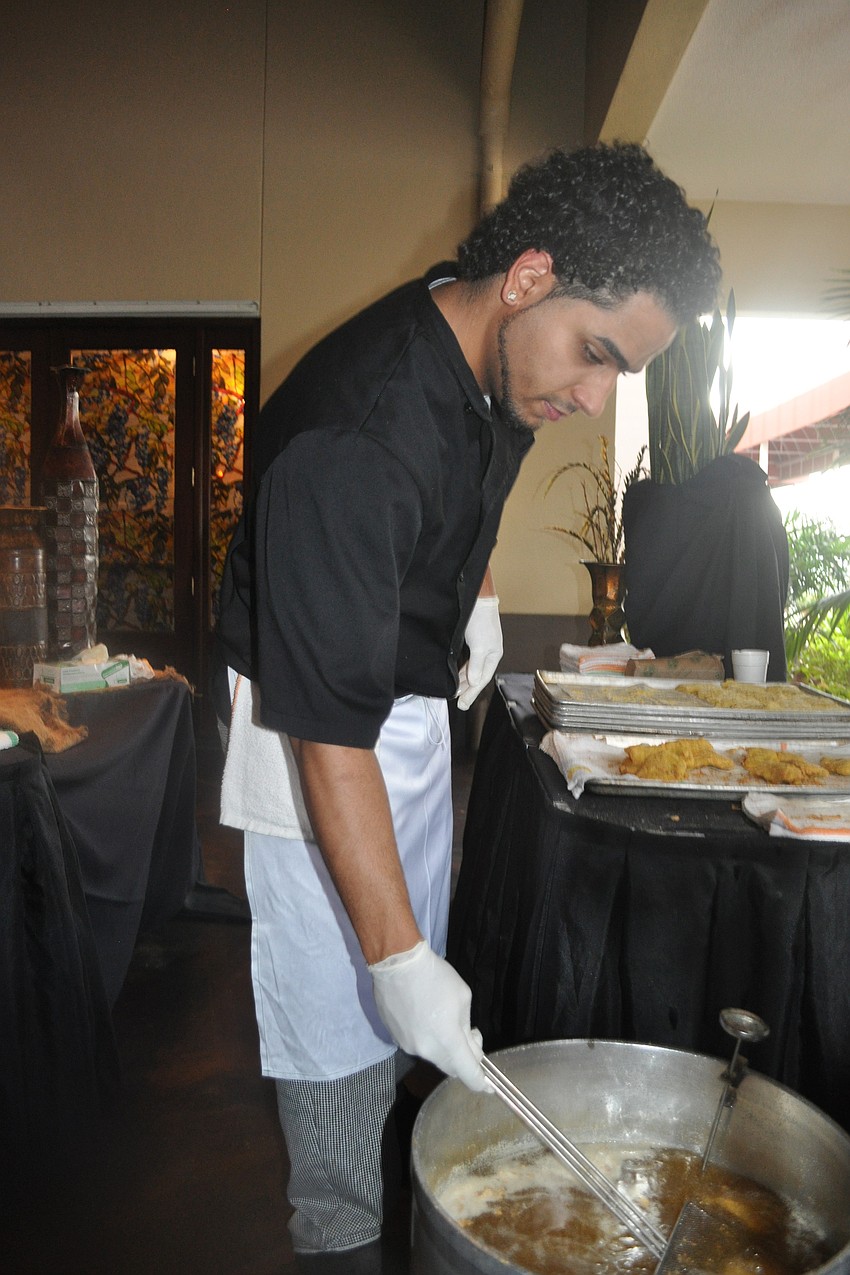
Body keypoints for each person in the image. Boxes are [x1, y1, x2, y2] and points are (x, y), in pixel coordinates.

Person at [214, 141, 721, 1272]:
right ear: (530, 277)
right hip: (314, 733)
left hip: (401, 710)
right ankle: (340, 1235)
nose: (592, 399)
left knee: (403, 1006)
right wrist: (394, 959)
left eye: (619, 376)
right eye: (595, 357)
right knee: (340, 1026)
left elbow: (467, 489)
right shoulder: (357, 436)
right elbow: (326, 727)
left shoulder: (487, 350)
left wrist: (474, 589)